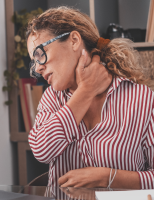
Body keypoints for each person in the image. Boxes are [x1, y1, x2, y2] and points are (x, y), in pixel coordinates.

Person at [26, 6, 154, 189]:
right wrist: (86, 90)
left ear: (74, 40)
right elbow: (42, 151)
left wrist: (108, 177)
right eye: (34, 62)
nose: (38, 68)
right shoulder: (51, 98)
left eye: (40, 54)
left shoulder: (141, 99)